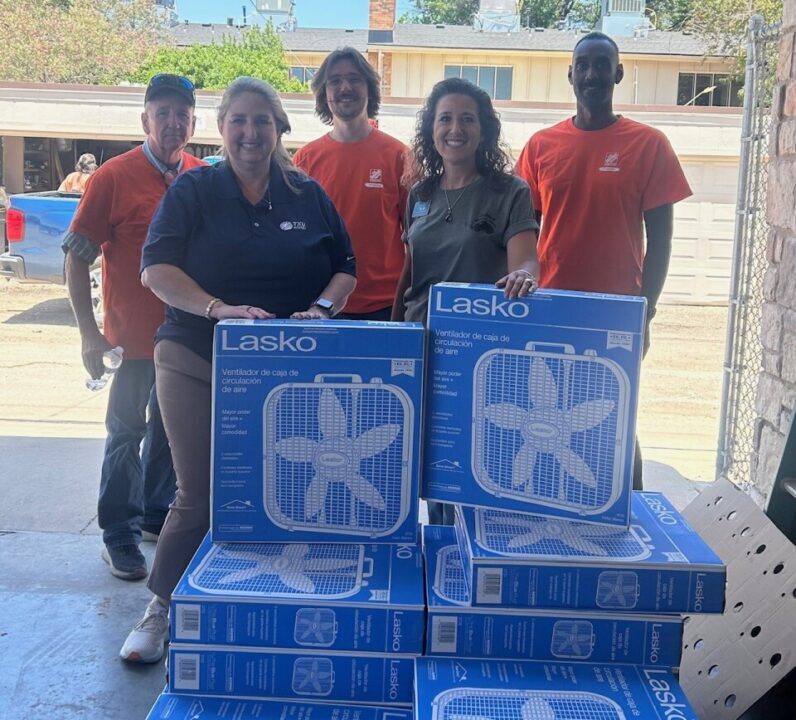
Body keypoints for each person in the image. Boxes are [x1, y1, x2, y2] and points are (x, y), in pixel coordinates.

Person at [121, 76, 356, 663]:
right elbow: (156, 269)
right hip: (196, 354)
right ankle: (160, 608)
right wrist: (217, 308)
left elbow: (346, 268)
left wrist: (322, 309)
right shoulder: (194, 190)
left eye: (262, 121)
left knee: (287, 489)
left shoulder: (307, 193)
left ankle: (260, 604)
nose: (251, 133)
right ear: (222, 128)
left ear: (279, 128)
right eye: (239, 122)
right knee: (197, 491)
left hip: (284, 370)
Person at [514, 31, 692, 490]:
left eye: (601, 64)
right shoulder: (540, 146)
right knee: (548, 423)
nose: (592, 74)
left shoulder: (648, 144)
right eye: (583, 65)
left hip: (616, 310)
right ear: (570, 74)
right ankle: (562, 504)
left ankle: (630, 516)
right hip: (550, 308)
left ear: (618, 73)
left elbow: (663, 240)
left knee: (616, 421)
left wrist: (644, 309)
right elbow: (524, 232)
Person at [63, 74, 204, 581]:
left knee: (170, 434)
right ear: (145, 120)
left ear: (194, 121)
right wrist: (87, 332)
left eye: (181, 114)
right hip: (129, 343)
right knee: (126, 432)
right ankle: (117, 533)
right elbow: (76, 258)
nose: (172, 122)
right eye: (161, 113)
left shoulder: (199, 176)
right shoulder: (113, 177)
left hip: (184, 342)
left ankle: (151, 514)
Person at [392, 77, 539, 524]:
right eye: (445, 119)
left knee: (477, 464)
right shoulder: (420, 195)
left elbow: (528, 262)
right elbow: (410, 271)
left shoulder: (509, 192)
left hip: (478, 355)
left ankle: (479, 559)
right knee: (434, 467)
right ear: (431, 130)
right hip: (421, 348)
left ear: (484, 130)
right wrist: (393, 335)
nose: (455, 129)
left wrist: (522, 277)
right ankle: (442, 559)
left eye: (467, 119)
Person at [293, 47, 407, 321]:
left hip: (386, 305)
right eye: (335, 81)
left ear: (369, 88)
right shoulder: (304, 160)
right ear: (324, 93)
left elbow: (417, 239)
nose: (345, 87)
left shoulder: (399, 156)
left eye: (355, 79)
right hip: (319, 307)